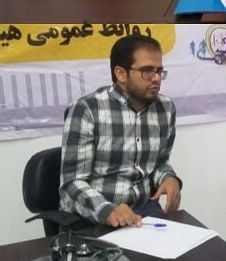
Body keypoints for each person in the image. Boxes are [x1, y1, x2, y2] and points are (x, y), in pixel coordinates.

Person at [60, 34, 181, 228]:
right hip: (93, 216)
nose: (157, 78)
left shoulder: (165, 108)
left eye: (159, 71)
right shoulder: (87, 109)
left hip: (144, 211)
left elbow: (159, 162)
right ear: (121, 74)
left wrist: (169, 178)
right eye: (147, 71)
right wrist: (108, 211)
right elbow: (72, 183)